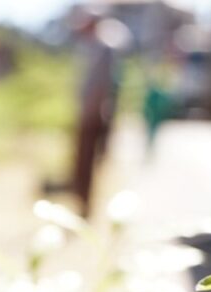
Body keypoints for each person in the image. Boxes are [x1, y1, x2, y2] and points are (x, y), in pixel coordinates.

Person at [70, 11, 130, 216]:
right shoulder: (93, 46)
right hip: (90, 113)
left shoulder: (103, 47)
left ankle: (86, 207)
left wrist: (92, 113)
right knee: (83, 162)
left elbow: (101, 86)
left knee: (88, 161)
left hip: (94, 115)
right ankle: (81, 202)